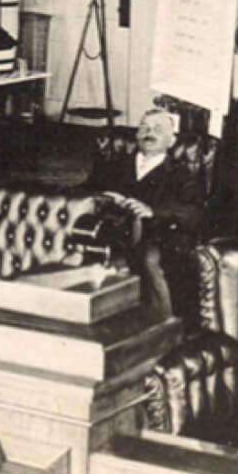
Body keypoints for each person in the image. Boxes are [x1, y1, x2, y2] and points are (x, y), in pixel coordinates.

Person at [88, 106, 205, 321]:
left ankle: (163, 325)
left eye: (158, 129)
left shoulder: (181, 174)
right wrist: (104, 196)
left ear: (171, 141)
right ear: (136, 136)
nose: (149, 133)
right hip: (111, 230)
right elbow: (86, 189)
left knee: (150, 257)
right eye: (144, 128)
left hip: (158, 234)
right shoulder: (113, 165)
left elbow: (192, 212)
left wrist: (153, 211)